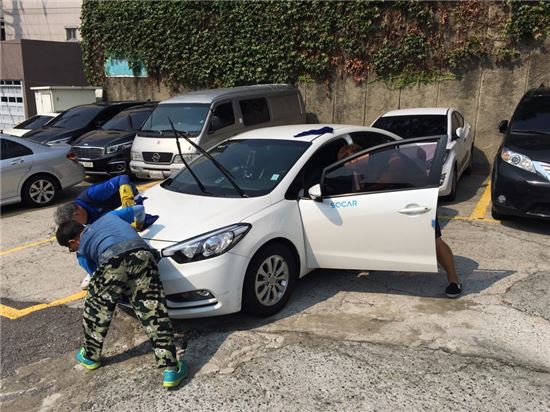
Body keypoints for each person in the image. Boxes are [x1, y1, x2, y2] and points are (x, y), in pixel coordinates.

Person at [55, 205, 188, 388]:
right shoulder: (110, 216)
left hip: (112, 261)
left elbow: (97, 279)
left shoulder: (82, 252)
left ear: (73, 242)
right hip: (143, 255)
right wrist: (139, 223)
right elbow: (139, 208)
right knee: (153, 313)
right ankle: (171, 371)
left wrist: (118, 292)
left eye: (70, 248)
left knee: (96, 310)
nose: (73, 250)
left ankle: (90, 356)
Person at [337, 143, 462, 298]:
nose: (352, 169)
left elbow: (391, 174)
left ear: (357, 157)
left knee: (434, 241)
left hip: (417, 200)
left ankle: (454, 280)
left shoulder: (385, 158)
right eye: (348, 168)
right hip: (392, 204)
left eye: (352, 164)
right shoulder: (359, 170)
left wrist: (368, 189)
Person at [54, 175, 156, 289]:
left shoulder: (91, 195)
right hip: (121, 221)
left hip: (129, 202)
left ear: (76, 214)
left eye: (71, 222)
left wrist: (126, 196)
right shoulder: (87, 225)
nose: (71, 226)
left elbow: (122, 178)